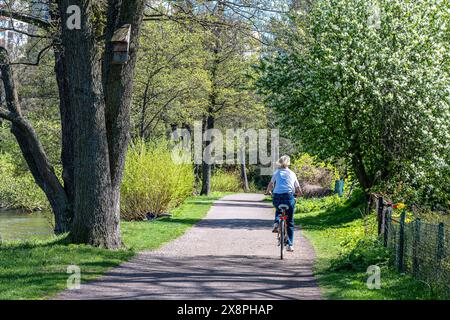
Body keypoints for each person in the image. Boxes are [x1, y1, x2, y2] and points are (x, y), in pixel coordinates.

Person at [265, 155, 301, 252]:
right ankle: (289, 245)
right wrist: (298, 195)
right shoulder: (292, 173)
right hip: (289, 197)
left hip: (277, 196)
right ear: (288, 163)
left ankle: (277, 222)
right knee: (290, 222)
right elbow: (298, 188)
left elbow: (271, 184)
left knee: (278, 209)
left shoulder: (276, 172)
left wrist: (268, 191)